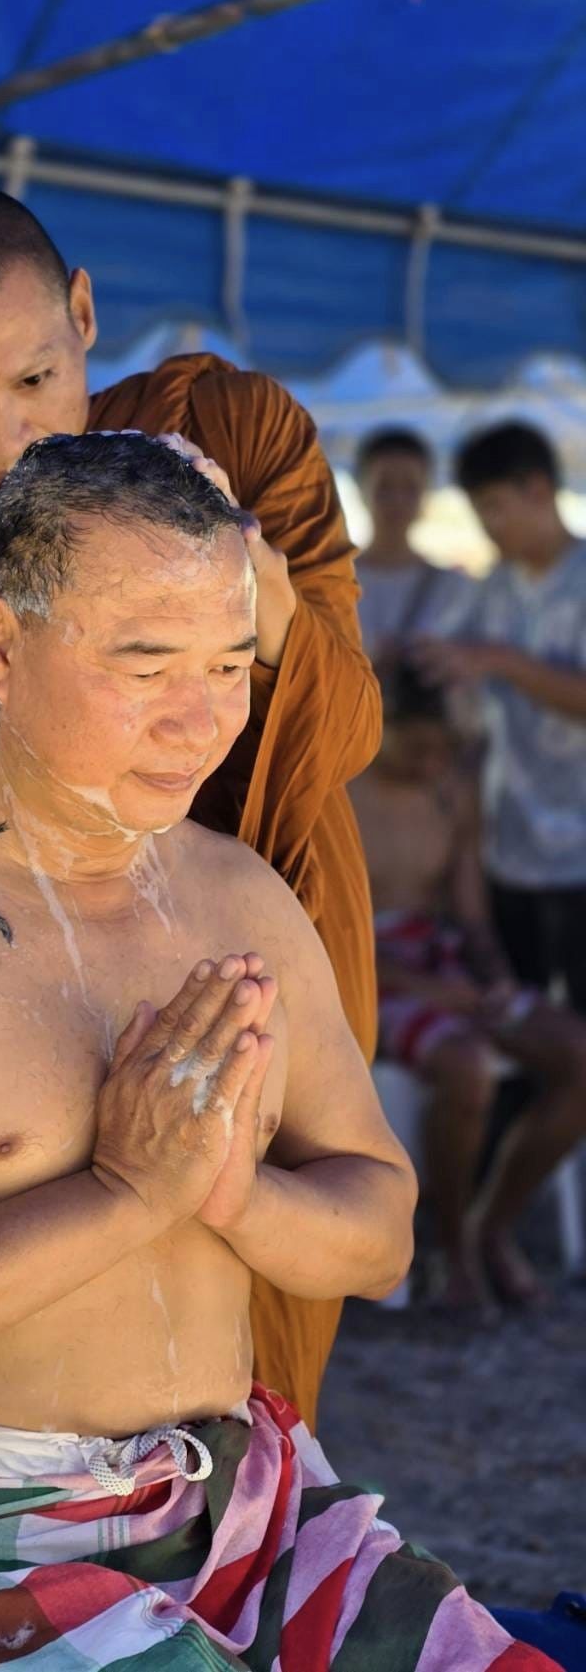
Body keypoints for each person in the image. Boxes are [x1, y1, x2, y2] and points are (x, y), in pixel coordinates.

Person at [0, 434, 555, 1672]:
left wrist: (230, 1192)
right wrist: (122, 1199)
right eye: (145, 661)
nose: (200, 717)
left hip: (238, 1507)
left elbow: (379, 1235)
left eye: (226, 663)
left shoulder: (239, 896)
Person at [0, 186, 382, 1425]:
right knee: (79, 1292)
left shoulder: (228, 435)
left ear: (85, 315)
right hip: (44, 974)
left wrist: (254, 602)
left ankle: (251, 1551)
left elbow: (347, 726)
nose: (4, 433)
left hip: (263, 905)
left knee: (260, 1322)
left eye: (37, 378)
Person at [352, 661, 586, 1308]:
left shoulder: (449, 792)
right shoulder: (337, 795)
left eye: (444, 748)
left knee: (578, 1055)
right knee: (465, 1069)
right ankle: (451, 1251)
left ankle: (492, 1225)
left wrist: (493, 978)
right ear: (381, 727)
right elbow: (323, 934)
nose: (434, 760)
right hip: (366, 969)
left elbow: (470, 909)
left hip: (441, 956)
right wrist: (433, 992)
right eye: (419, 745)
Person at [419, 421, 586, 1017]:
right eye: (478, 510)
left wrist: (497, 661)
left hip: (580, 857)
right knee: (524, 1032)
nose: (488, 525)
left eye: (494, 506)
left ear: (538, 489)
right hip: (508, 851)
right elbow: (447, 665)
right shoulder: (490, 589)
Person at [354, 427, 476, 667]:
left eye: (410, 488)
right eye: (384, 487)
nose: (397, 501)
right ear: (362, 490)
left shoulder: (454, 587)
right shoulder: (330, 584)